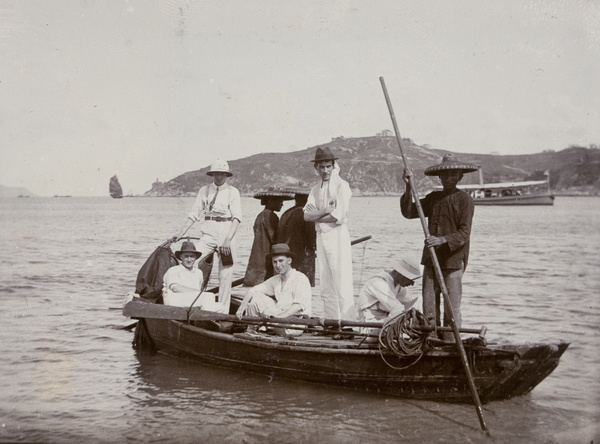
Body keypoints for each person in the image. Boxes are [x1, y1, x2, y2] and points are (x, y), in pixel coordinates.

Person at [400, 154, 476, 340]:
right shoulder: (434, 198)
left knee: (451, 307)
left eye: (453, 175)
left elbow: (464, 233)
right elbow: (409, 212)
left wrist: (441, 240)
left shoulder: (464, 200)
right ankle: (431, 341)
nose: (448, 178)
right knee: (429, 305)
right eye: (445, 175)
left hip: (453, 260)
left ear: (460, 177)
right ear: (439, 177)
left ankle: (451, 343)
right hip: (431, 260)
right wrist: (409, 186)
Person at [174, 159, 242, 313]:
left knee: (226, 274)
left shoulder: (233, 192)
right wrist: (181, 233)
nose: (219, 177)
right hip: (209, 231)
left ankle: (223, 312)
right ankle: (192, 302)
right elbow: (194, 214)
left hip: (227, 232)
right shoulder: (204, 190)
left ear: (226, 175)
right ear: (212, 174)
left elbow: (237, 218)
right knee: (192, 261)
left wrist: (227, 240)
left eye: (222, 174)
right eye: (216, 173)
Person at [303, 146, 355, 320]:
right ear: (316, 168)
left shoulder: (342, 186)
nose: (325, 170)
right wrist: (324, 210)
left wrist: (318, 215)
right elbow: (306, 216)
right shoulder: (314, 189)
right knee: (325, 282)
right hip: (321, 236)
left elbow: (337, 216)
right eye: (321, 167)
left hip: (337, 236)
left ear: (333, 166)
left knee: (342, 280)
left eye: (328, 166)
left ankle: (348, 323)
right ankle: (332, 322)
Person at [236, 243, 312, 336]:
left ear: (289, 260)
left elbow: (298, 306)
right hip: (278, 317)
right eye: (274, 262)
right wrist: (243, 306)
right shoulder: (276, 279)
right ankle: (251, 330)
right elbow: (253, 290)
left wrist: (279, 317)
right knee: (255, 299)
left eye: (281, 261)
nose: (278, 265)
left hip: (295, 322)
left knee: (288, 330)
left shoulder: (300, 278)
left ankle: (266, 326)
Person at [357, 257, 421, 336]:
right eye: (411, 280)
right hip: (370, 327)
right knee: (399, 312)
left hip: (384, 323)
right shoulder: (378, 282)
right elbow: (397, 309)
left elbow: (411, 304)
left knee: (420, 300)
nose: (412, 284)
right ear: (402, 275)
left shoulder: (399, 285)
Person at [243, 188, 293, 287]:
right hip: (265, 259)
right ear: (271, 201)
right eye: (280, 201)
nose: (282, 204)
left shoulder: (260, 215)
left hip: (257, 256)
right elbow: (275, 241)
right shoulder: (271, 216)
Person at [162, 241, 226, 312]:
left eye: (192, 256)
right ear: (181, 257)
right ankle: (204, 321)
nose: (189, 259)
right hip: (174, 299)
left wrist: (199, 294)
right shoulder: (174, 270)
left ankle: (201, 318)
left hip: (189, 300)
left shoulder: (198, 272)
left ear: (195, 257)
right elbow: (175, 288)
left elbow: (198, 291)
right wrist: (198, 293)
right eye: (186, 256)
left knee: (221, 306)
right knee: (208, 296)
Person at [277, 189, 316, 286]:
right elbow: (312, 239)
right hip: (302, 256)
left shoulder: (287, 213)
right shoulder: (306, 213)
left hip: (288, 254)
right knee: (304, 284)